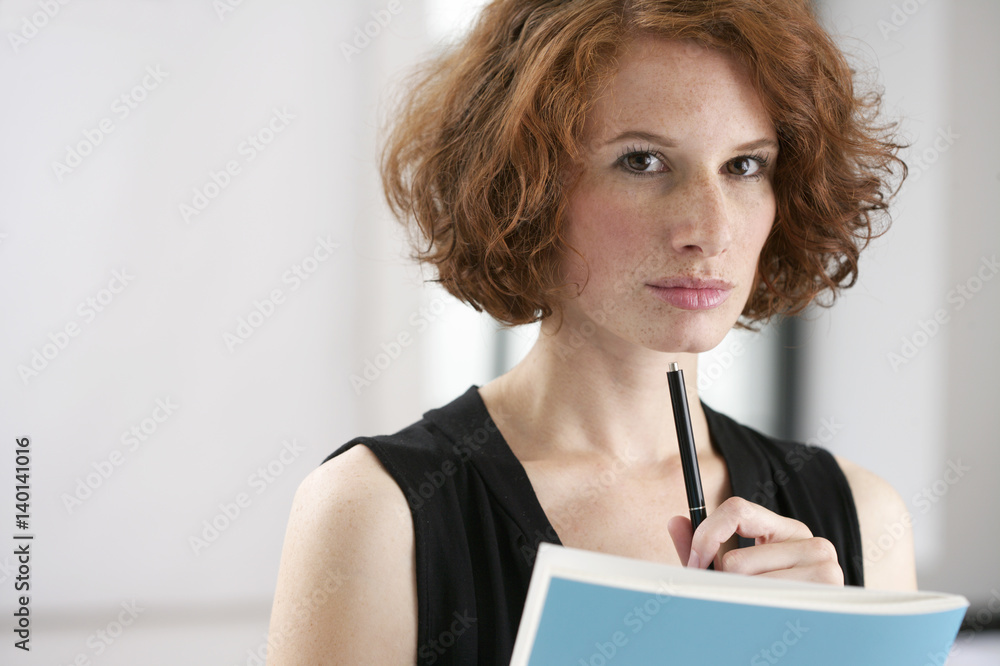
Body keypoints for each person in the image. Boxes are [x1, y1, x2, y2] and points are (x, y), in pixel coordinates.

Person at [267, 0, 916, 663]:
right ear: (528, 186)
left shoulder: (862, 519)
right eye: (642, 161)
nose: (712, 230)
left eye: (745, 165)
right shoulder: (374, 514)